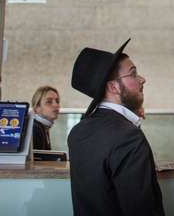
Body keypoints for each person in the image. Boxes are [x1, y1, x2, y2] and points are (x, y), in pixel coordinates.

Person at [67, 39, 164, 216]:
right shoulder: (128, 137)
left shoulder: (78, 131)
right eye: (133, 74)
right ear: (113, 87)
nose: (142, 79)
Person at [31, 86, 60, 150]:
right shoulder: (35, 128)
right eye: (49, 102)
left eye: (57, 101)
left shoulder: (42, 127)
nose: (56, 105)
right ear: (37, 107)